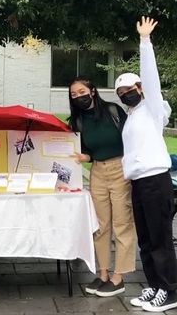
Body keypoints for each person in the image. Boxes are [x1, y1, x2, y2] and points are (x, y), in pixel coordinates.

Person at [115, 16, 177, 312]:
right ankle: (154, 286)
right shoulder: (130, 118)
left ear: (139, 88)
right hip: (138, 184)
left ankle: (170, 290)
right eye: (119, 92)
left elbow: (151, 78)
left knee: (161, 239)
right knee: (147, 240)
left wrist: (144, 41)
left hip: (155, 181)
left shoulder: (153, 109)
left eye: (128, 88)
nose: (124, 94)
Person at [68, 76, 136, 297]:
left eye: (81, 91)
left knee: (122, 223)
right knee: (101, 225)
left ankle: (119, 276)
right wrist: (83, 156)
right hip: (97, 171)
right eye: (73, 94)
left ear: (93, 91)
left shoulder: (113, 111)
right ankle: (103, 273)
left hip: (120, 169)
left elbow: (132, 139)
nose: (78, 96)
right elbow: (88, 152)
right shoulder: (77, 121)